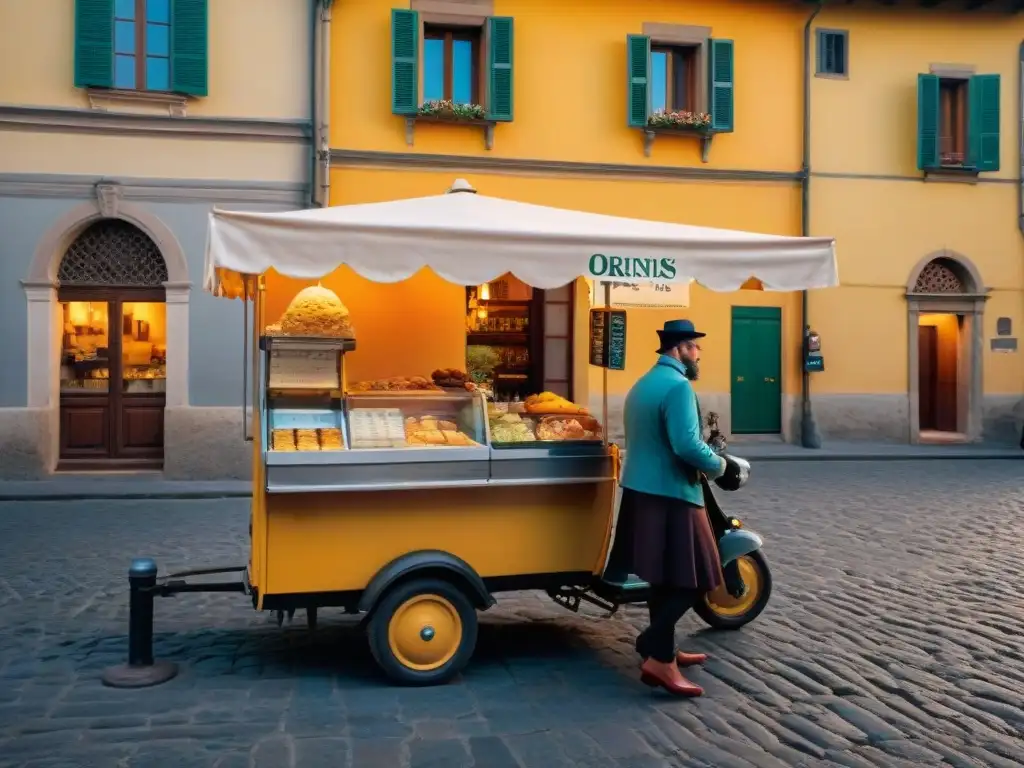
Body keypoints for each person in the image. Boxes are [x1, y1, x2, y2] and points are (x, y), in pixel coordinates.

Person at [612, 319, 737, 697]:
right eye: (695, 347)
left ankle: (665, 651)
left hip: (640, 489)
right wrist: (719, 466)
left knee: (663, 578)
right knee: (701, 575)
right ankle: (654, 650)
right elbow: (686, 445)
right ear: (680, 348)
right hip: (672, 493)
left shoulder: (644, 383)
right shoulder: (679, 386)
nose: (699, 354)